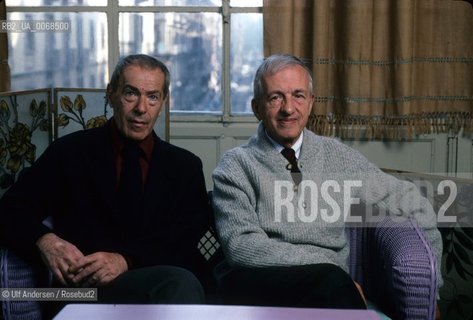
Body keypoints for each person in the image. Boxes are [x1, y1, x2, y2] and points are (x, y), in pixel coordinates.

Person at [212, 54, 443, 311]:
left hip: (329, 289)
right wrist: (328, 267)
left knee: (330, 285)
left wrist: (434, 293)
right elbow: (241, 247)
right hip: (256, 281)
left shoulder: (338, 157)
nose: (288, 108)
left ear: (311, 103)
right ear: (257, 108)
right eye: (275, 97)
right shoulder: (235, 165)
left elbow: (412, 202)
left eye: (298, 95)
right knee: (330, 282)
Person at [0, 54, 211, 313]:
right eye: (131, 94)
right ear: (111, 95)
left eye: (153, 97)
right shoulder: (69, 153)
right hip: (84, 290)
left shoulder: (185, 166)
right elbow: (10, 209)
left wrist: (125, 260)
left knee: (182, 282)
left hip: (159, 283)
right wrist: (45, 241)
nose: (141, 108)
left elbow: (185, 237)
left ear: (163, 102)